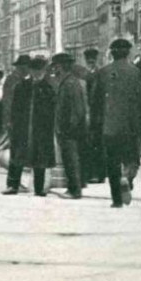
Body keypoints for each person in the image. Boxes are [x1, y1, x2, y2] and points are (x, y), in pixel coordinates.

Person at [99, 38, 141, 207]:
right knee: (131, 158)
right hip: (130, 125)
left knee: (112, 163)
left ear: (112, 53)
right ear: (128, 53)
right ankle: (127, 177)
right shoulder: (135, 72)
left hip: (109, 126)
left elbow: (96, 100)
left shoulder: (103, 72)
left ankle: (116, 200)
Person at [3, 55, 55, 196]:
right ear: (30, 71)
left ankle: (39, 188)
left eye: (40, 70)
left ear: (43, 71)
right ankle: (12, 185)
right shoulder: (21, 86)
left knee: (40, 158)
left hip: (41, 128)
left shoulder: (48, 88)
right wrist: (11, 123)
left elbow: (52, 110)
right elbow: (14, 108)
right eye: (34, 70)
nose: (37, 73)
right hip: (22, 126)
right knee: (17, 155)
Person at [52, 52, 88, 198]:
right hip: (68, 128)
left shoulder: (70, 83)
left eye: (55, 67)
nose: (54, 70)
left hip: (70, 129)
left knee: (71, 159)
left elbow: (77, 109)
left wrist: (69, 128)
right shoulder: (68, 81)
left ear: (61, 67)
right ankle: (73, 188)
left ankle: (74, 190)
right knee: (69, 158)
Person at [80, 47, 104, 184]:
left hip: (97, 114)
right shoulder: (83, 75)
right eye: (89, 61)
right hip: (86, 113)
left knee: (97, 144)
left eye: (93, 60)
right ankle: (89, 173)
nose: (91, 63)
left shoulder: (100, 74)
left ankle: (98, 174)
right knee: (87, 144)